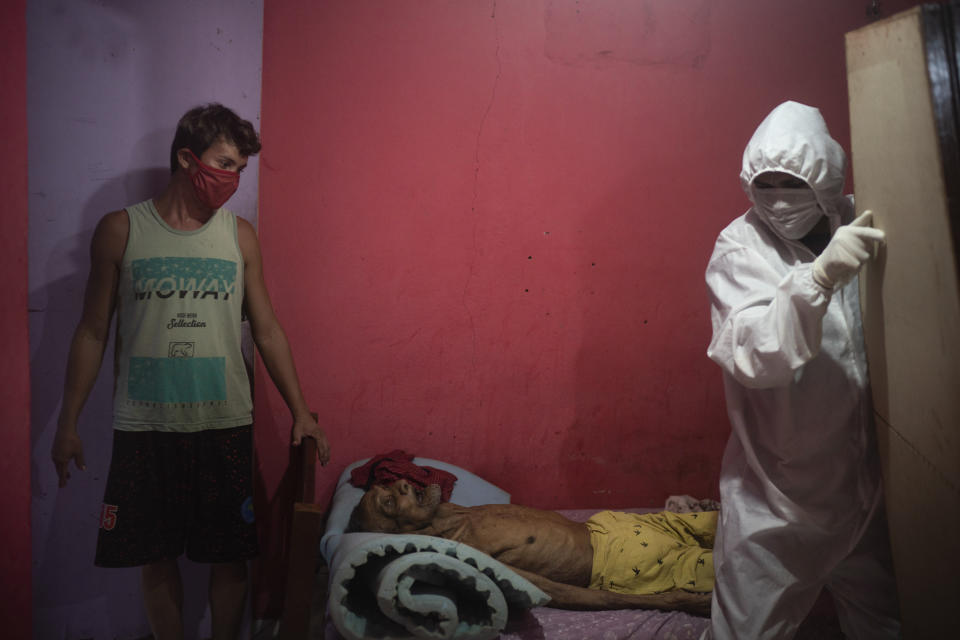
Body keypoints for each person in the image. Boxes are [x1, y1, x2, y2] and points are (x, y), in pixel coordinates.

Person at [50, 104, 331, 640]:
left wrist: (301, 412)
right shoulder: (121, 231)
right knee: (154, 558)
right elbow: (91, 331)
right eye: (225, 163)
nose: (234, 177)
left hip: (223, 423)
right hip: (144, 427)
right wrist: (68, 423)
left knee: (229, 558)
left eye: (241, 169)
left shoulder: (239, 236)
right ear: (186, 158)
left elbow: (267, 330)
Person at [704, 101, 900, 639]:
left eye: (791, 184)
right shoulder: (739, 247)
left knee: (886, 621)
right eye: (764, 187)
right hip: (779, 497)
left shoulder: (865, 222)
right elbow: (753, 355)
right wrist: (817, 279)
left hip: (866, 486)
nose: (778, 201)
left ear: (826, 181)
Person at [351, 479, 715, 615]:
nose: (399, 484)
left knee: (752, 521)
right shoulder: (463, 554)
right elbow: (557, 593)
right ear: (399, 532)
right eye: (388, 502)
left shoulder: (450, 513)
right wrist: (666, 602)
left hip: (613, 524)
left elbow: (427, 482)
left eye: (387, 487)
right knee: (758, 569)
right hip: (625, 563)